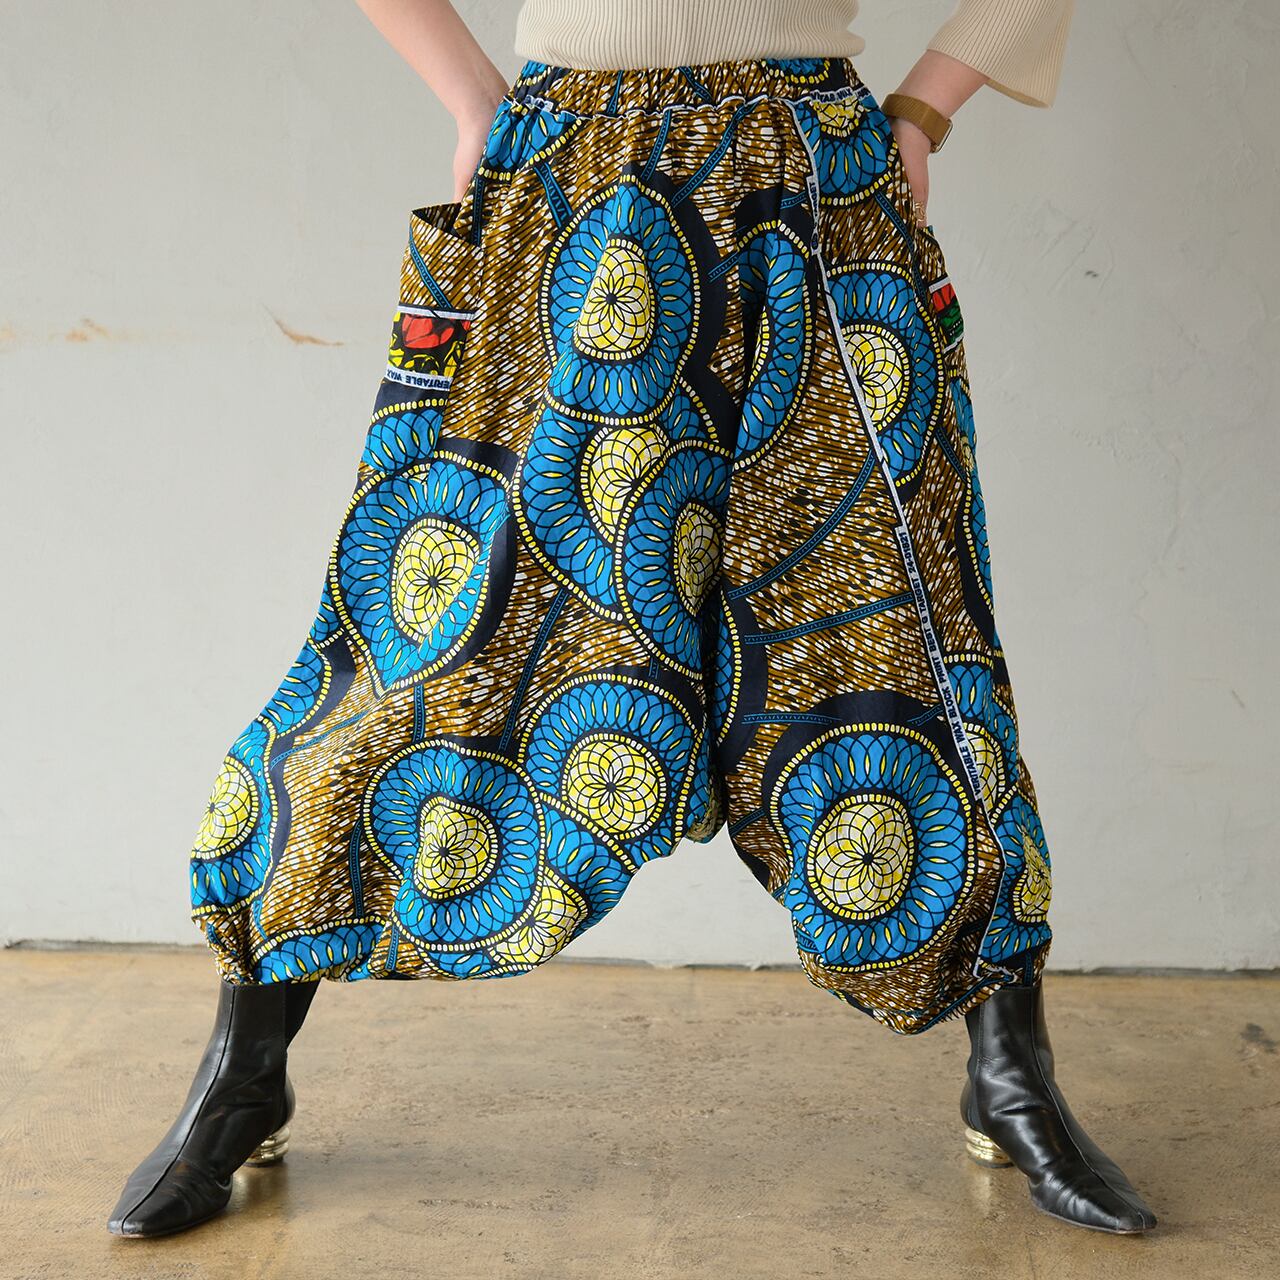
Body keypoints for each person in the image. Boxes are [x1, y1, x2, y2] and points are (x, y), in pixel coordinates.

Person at [107, 0, 1158, 1241]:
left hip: (813, 182)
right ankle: (245, 1065)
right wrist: (472, 96)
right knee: (438, 633)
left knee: (902, 629)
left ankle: (1009, 1068)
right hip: (570, 177)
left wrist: (925, 107)